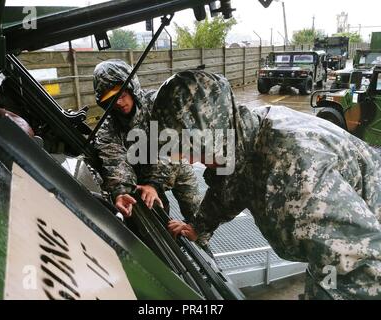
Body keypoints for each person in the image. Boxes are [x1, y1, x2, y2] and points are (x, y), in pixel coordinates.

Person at [151, 69, 381, 300]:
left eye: (191, 146)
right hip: (336, 250)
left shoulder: (294, 176)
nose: (186, 159)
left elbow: (359, 264)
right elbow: (232, 181)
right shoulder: (243, 132)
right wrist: (199, 226)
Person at [93, 59, 201, 223]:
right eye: (111, 100)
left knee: (195, 213)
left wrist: (154, 184)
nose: (119, 103)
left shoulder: (159, 105)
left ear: (131, 90)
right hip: (140, 173)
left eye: (121, 95)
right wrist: (121, 191)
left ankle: (201, 239)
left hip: (174, 165)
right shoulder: (107, 128)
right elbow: (115, 162)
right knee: (155, 211)